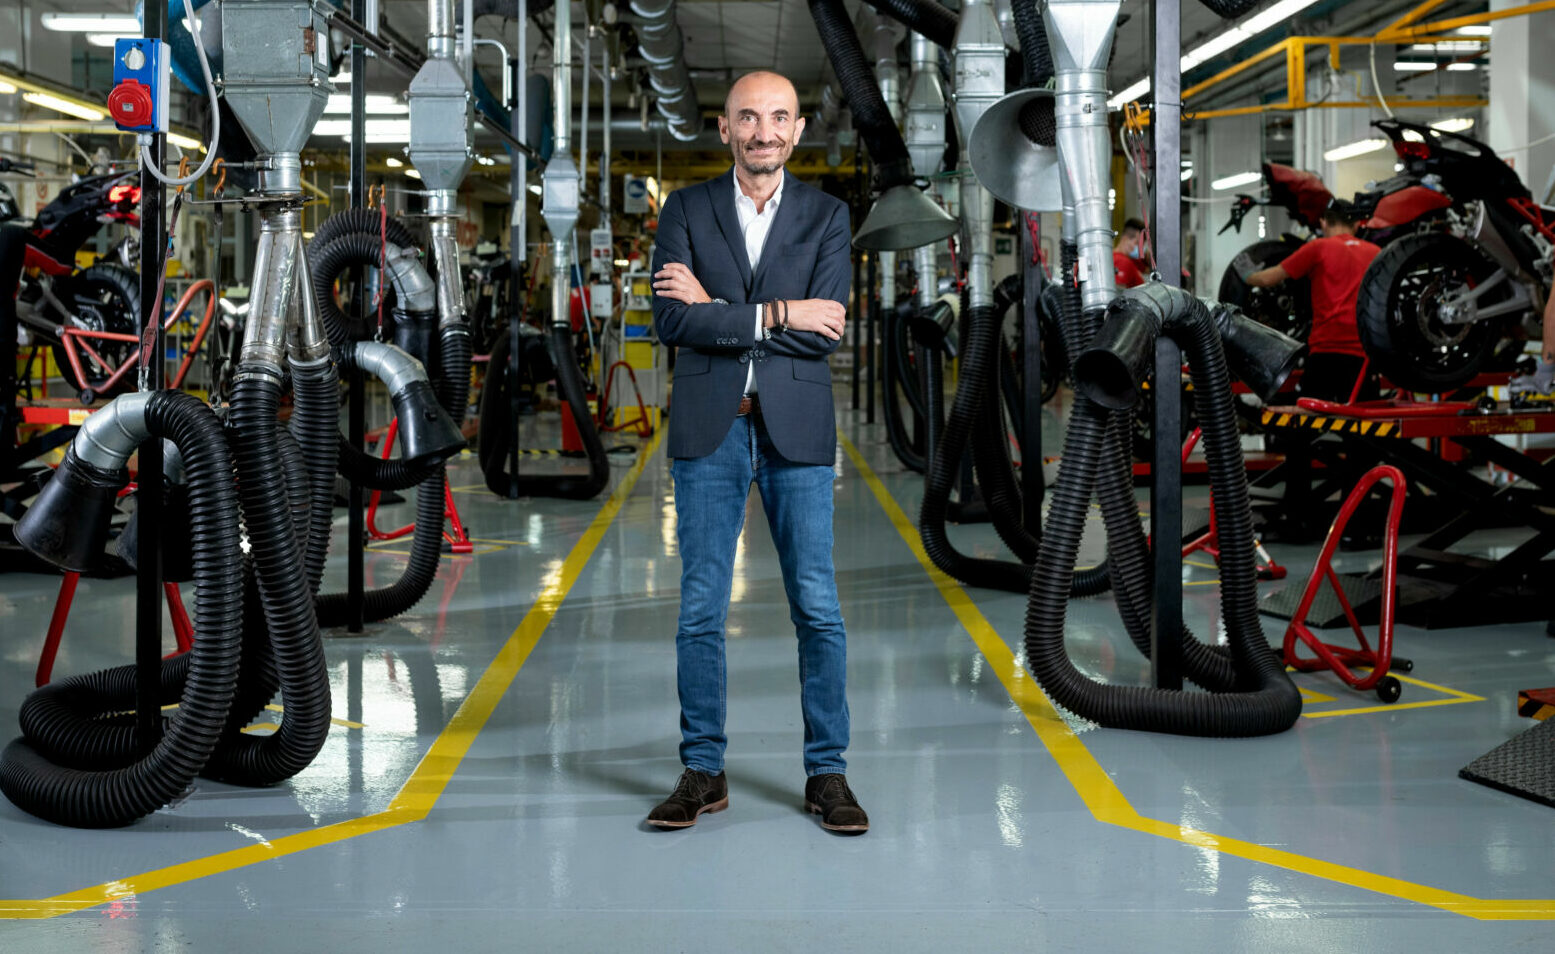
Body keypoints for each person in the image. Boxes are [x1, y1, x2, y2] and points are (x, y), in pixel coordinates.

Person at [648, 70, 866, 834]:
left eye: (778, 117)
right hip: (711, 427)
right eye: (748, 117)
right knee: (700, 608)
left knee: (817, 605)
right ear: (724, 128)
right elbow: (671, 325)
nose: (763, 131)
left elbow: (826, 328)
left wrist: (719, 309)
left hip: (795, 431)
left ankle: (826, 773)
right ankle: (702, 772)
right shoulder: (685, 208)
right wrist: (775, 310)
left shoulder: (827, 216)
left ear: (797, 129)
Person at [1245, 200, 1382, 403]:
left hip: (1326, 353)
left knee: (1306, 423)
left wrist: (1244, 275)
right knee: (1362, 427)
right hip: (1363, 356)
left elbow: (1267, 279)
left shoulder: (1318, 248)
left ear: (1324, 223)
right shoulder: (1376, 253)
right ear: (1355, 225)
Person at [1113, 217, 1149, 289]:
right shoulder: (1122, 262)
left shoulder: (1129, 260)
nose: (1140, 249)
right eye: (1137, 243)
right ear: (1125, 238)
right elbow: (1118, 296)